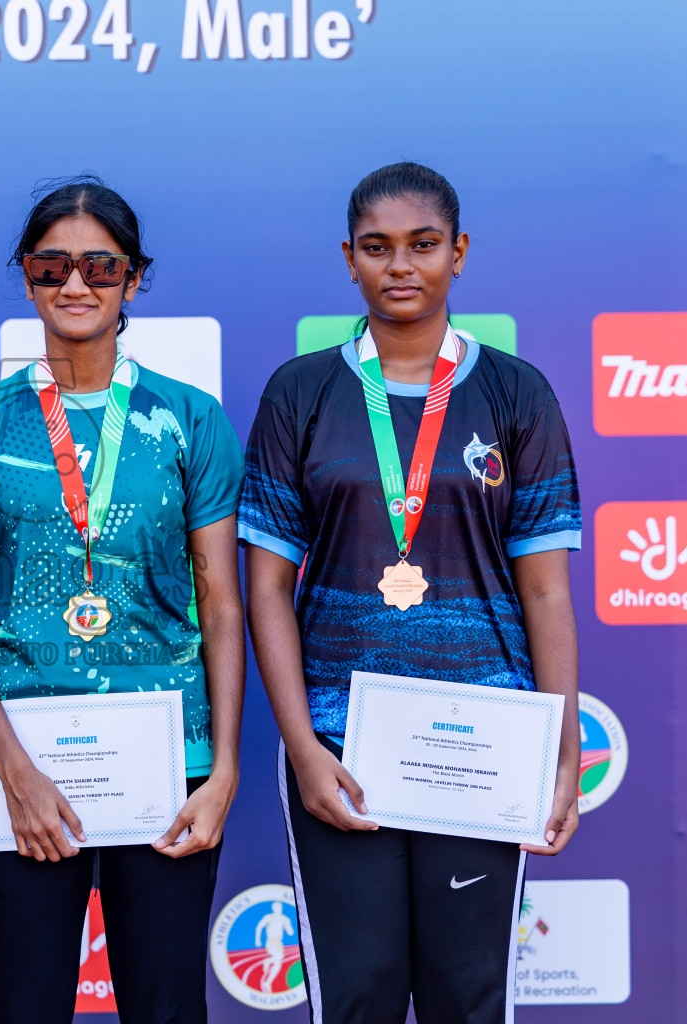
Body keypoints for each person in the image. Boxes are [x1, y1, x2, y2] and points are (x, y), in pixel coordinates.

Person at [239, 163, 582, 1024]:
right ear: (347, 259)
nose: (401, 267)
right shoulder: (301, 392)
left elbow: (544, 592)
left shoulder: (517, 392)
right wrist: (302, 746)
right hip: (340, 742)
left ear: (458, 253)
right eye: (377, 248)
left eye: (423, 246)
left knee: (469, 999)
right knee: (357, 997)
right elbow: (267, 590)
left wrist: (563, 747)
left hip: (485, 739)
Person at [0, 176, 246, 1023]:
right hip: (27, 764)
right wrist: (13, 774)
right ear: (26, 278)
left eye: (100, 266)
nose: (75, 285)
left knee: (167, 1010)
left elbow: (223, 605)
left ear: (134, 280)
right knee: (26, 1010)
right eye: (52, 265)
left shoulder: (190, 419)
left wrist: (226, 768)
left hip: (173, 768)